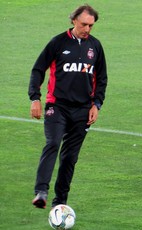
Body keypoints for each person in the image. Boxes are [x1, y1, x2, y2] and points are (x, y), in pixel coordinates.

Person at [28, 4, 108, 209]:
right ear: (73, 20)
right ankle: (41, 192)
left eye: (91, 25)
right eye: (84, 24)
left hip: (83, 110)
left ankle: (60, 202)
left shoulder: (96, 47)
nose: (88, 29)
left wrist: (96, 104)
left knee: (70, 157)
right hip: (58, 106)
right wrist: (35, 98)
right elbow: (38, 69)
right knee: (53, 143)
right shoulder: (57, 42)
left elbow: (102, 79)